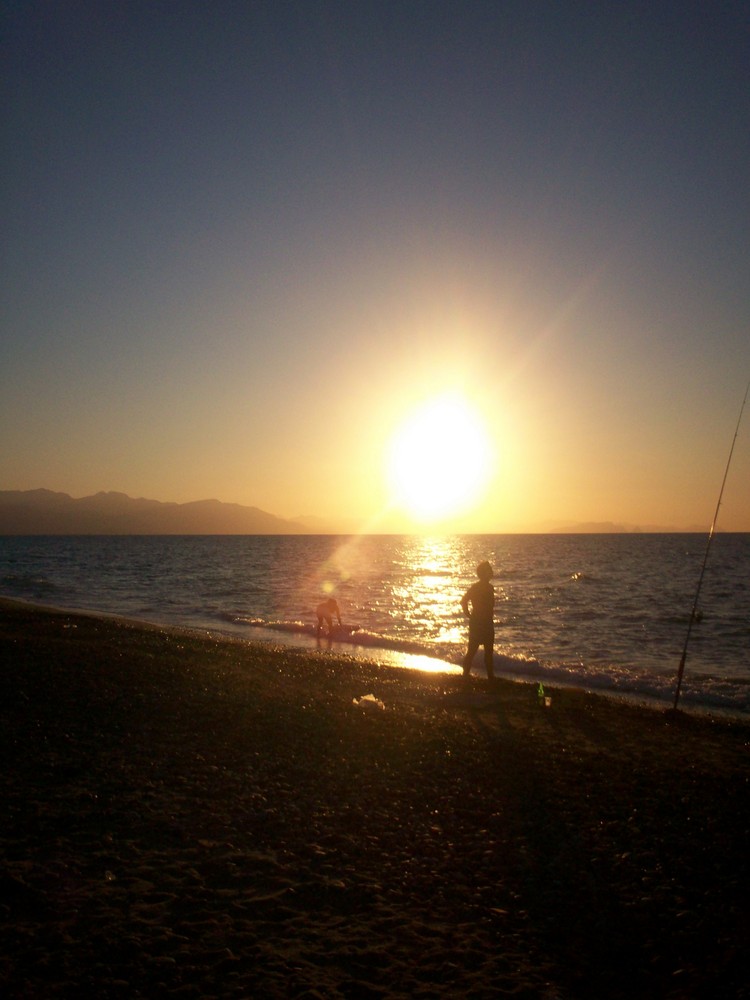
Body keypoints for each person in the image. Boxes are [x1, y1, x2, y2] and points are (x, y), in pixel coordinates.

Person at [460, 560, 495, 679]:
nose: (491, 572)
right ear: (484, 573)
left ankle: (490, 675)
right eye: (489, 570)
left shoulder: (489, 587)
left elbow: (464, 601)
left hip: (484, 622)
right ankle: (465, 675)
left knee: (487, 651)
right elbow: (464, 601)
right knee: (473, 650)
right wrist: (468, 614)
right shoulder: (479, 587)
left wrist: (469, 614)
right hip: (479, 622)